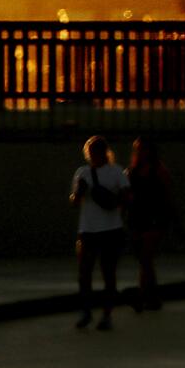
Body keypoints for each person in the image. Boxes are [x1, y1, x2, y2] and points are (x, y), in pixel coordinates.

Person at [69, 136, 130, 331]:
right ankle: (87, 311)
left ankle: (105, 314)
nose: (93, 155)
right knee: (84, 273)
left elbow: (127, 196)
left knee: (107, 273)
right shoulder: (82, 172)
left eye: (96, 151)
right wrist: (78, 192)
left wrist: (116, 201)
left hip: (109, 230)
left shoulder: (116, 172)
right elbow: (74, 201)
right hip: (88, 230)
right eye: (91, 151)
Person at [126, 137, 174, 312]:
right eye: (138, 149)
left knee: (146, 257)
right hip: (138, 218)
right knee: (145, 261)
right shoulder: (132, 171)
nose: (140, 152)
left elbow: (167, 195)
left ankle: (141, 296)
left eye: (143, 149)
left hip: (154, 218)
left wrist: (165, 218)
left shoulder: (159, 170)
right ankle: (153, 297)